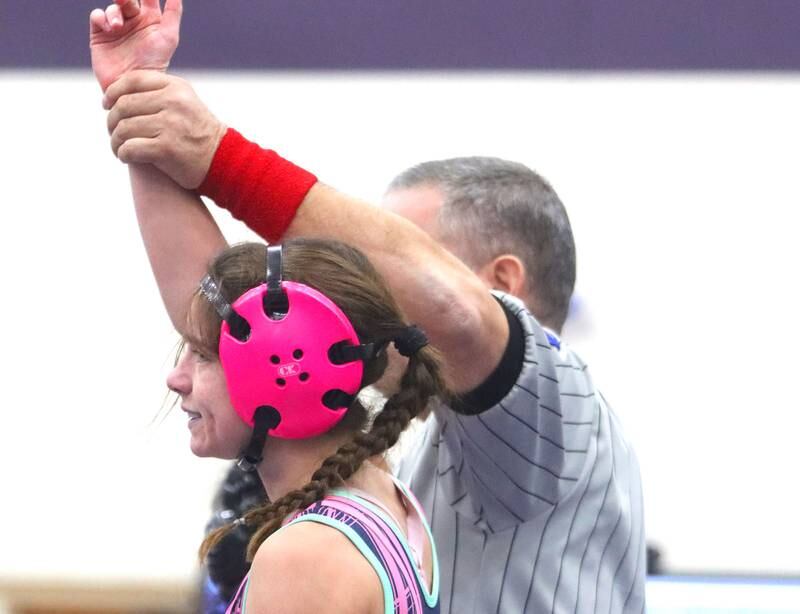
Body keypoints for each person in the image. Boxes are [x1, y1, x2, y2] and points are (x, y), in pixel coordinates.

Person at [89, 2, 646, 612]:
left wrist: (219, 158)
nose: (370, 283)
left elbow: (453, 311)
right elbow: (224, 320)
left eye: (398, 253)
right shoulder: (386, 479)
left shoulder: (561, 420)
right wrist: (138, 113)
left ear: (501, 281)